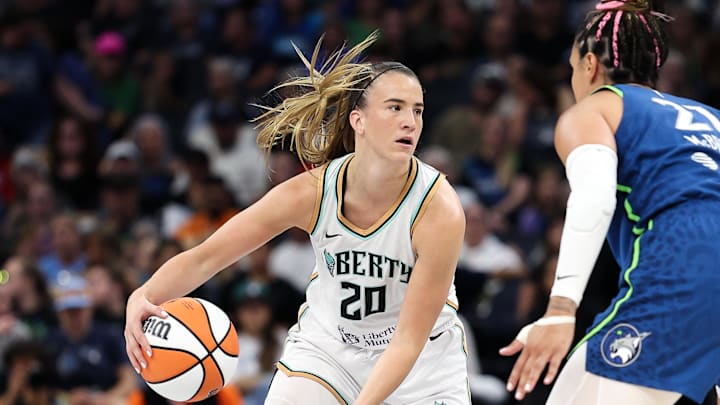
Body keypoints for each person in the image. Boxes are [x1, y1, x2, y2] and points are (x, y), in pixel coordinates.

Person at [124, 32, 469, 405]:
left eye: (417, 110)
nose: (410, 122)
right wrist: (144, 295)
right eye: (395, 107)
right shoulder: (313, 192)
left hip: (422, 367)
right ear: (359, 120)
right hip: (329, 351)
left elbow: (407, 341)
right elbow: (207, 256)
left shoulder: (439, 210)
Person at [498, 1, 720, 404]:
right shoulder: (712, 117)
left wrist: (561, 310)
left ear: (588, 65)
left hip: (677, 273)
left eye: (570, 69)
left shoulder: (596, 109)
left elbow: (594, 199)